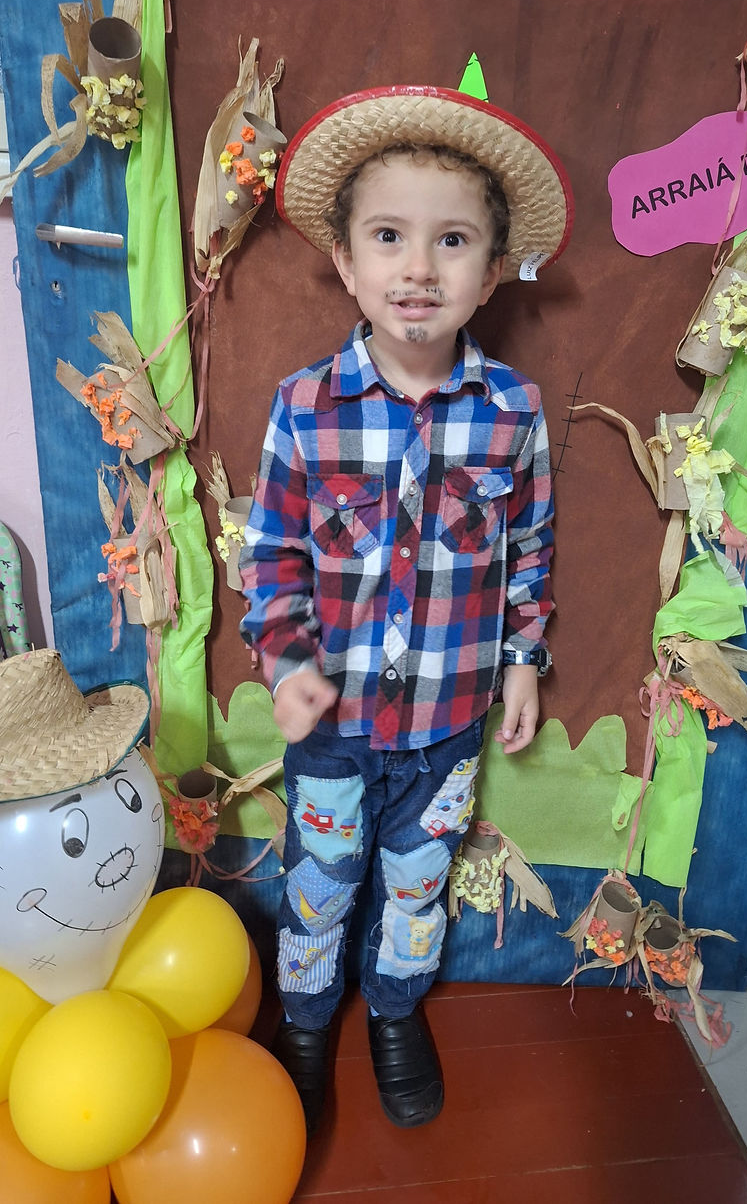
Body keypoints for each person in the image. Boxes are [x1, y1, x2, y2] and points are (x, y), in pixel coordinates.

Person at [239, 86, 572, 1136]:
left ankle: (392, 1008)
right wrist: (286, 658)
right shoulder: (304, 406)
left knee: (417, 882)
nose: (418, 268)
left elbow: (529, 550)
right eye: (389, 237)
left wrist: (521, 660)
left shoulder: (512, 412)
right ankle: (305, 1021)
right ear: (346, 262)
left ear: (491, 271)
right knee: (319, 878)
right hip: (331, 724)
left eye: (451, 241)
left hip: (445, 724)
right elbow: (270, 555)